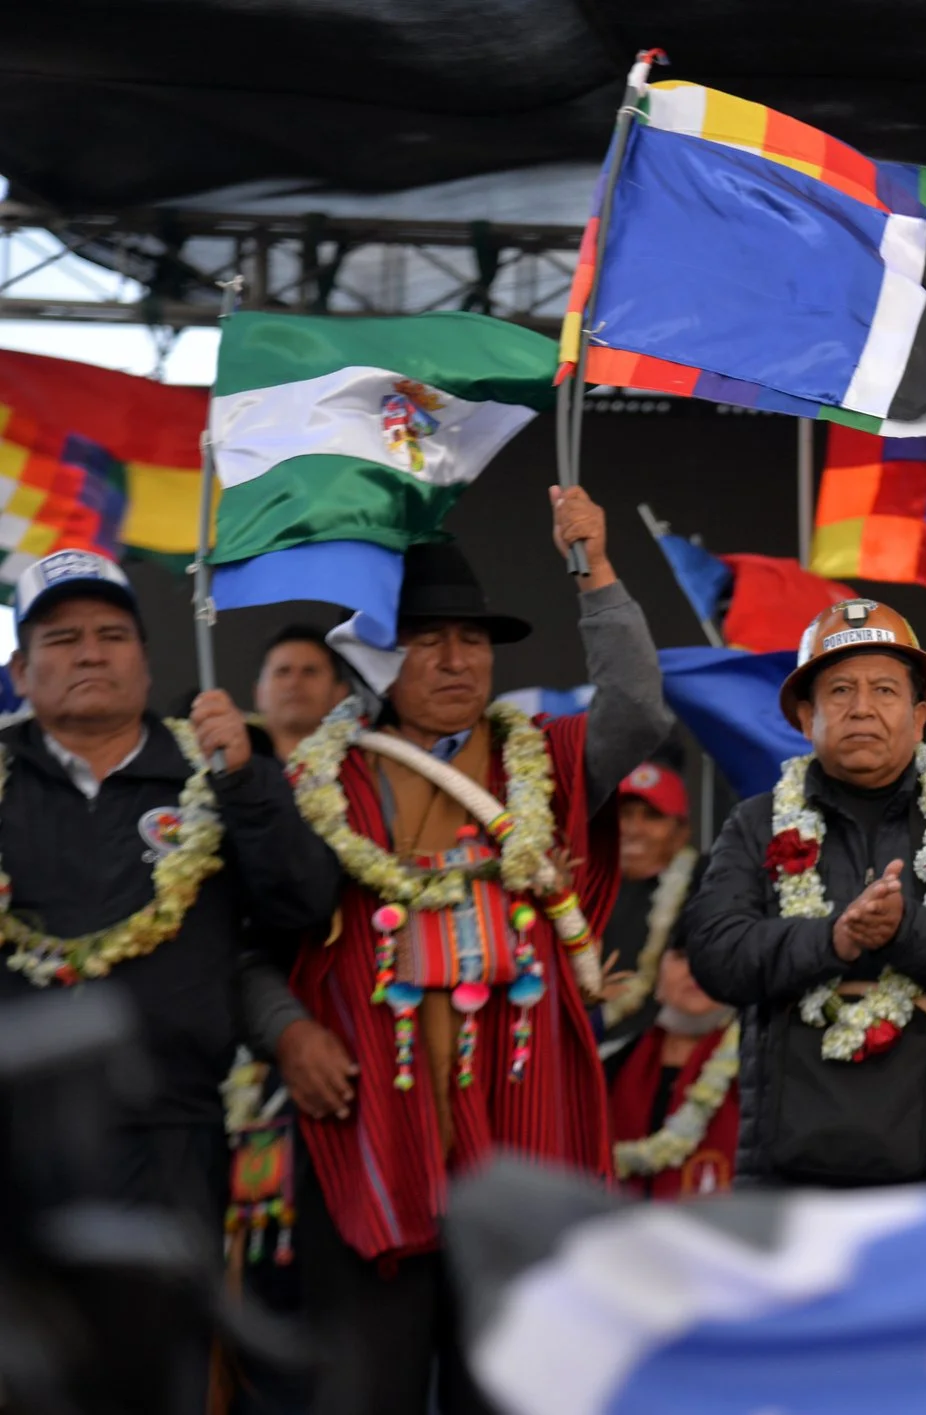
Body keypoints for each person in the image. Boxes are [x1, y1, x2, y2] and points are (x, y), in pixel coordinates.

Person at [286, 487, 672, 1415]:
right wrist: (286, 1031)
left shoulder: (544, 755)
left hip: (518, 1115)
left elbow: (638, 710)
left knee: (504, 1391)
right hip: (375, 1121)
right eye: (427, 639)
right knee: (365, 1393)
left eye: (472, 638)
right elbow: (259, 939)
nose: (457, 659)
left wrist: (597, 568)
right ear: (380, 657)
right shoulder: (318, 784)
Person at [0, 550, 340, 1415]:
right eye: (63, 638)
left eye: (113, 635)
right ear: (19, 669)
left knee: (165, 1374)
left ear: (146, 660)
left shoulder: (214, 765)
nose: (89, 654)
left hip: (173, 1131)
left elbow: (303, 905)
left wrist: (246, 782)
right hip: (14, 1139)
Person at [685, 599, 926, 1187]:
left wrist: (904, 931)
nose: (862, 708)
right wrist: (834, 939)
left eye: (885, 691)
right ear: (804, 714)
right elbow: (716, 954)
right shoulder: (756, 822)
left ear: (921, 715)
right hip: (788, 1169)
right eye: (840, 690)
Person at [605, 944, 740, 1199]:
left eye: (713, 955)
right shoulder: (611, 1063)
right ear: (656, 965)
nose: (696, 971)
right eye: (683, 956)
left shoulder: (759, 1071)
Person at [598, 749, 699, 1052]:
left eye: (652, 816)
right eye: (624, 814)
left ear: (682, 832)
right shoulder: (577, 886)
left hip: (657, 1055)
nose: (633, 829)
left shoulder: (705, 889)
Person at [253, 622, 351, 761]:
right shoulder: (228, 765)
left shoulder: (367, 765)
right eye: (283, 671)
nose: (294, 683)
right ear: (258, 692)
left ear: (340, 692)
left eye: (309, 672)